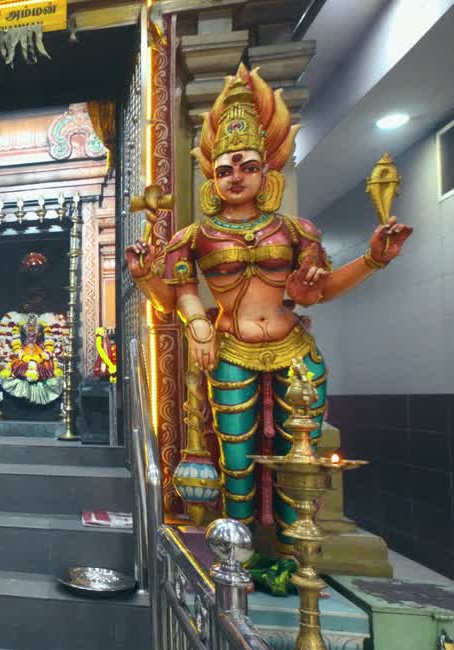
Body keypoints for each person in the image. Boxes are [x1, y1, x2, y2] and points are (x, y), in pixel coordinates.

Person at [126, 65, 412, 545]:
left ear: (268, 170)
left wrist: (372, 259)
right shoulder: (195, 236)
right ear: (211, 178)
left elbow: (316, 291)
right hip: (231, 348)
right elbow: (175, 297)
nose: (235, 177)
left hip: (293, 347)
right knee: (234, 460)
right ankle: (236, 552)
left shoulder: (296, 231)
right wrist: (181, 309)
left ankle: (294, 548)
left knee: (298, 457)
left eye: (247, 166)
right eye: (224, 169)